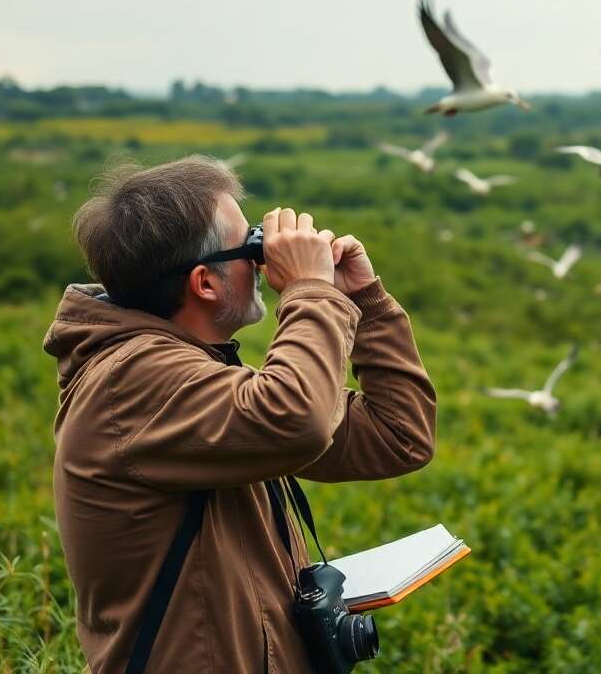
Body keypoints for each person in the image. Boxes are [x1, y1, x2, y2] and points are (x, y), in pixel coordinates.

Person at [43, 156, 436, 672]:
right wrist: (308, 290)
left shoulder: (196, 379)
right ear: (204, 283)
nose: (263, 258)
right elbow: (299, 419)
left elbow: (397, 434)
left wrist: (364, 298)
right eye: (251, 244)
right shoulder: (132, 382)